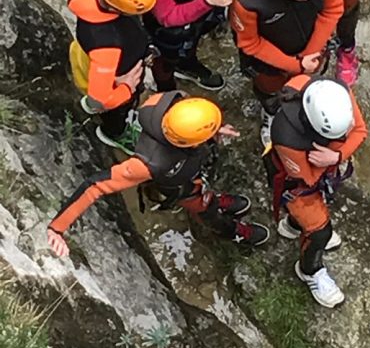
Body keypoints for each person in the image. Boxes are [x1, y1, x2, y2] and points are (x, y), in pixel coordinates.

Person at [47, 91, 270, 256]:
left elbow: (189, 115)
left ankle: (216, 200)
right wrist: (57, 228)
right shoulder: (147, 164)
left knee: (204, 190)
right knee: (205, 208)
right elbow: (96, 185)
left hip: (189, 169)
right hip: (178, 186)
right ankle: (231, 231)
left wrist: (212, 128)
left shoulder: (165, 104)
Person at [229, 0, 343, 145]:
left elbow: (332, 9)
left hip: (311, 48)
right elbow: (250, 43)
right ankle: (270, 114)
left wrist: (309, 55)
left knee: (310, 82)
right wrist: (295, 65)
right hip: (269, 62)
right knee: (269, 91)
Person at [266, 75, 367, 308]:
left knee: (310, 219)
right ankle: (309, 271)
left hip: (320, 162)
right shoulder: (286, 136)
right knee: (320, 232)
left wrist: (337, 155)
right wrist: (331, 158)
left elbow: (360, 130)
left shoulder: (335, 94)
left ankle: (292, 226)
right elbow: (307, 179)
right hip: (294, 178)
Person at [68, 0, 156, 153]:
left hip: (86, 53)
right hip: (110, 75)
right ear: (117, 9)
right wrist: (126, 88)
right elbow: (98, 100)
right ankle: (114, 133)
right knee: (116, 112)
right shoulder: (106, 44)